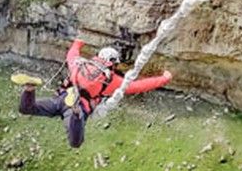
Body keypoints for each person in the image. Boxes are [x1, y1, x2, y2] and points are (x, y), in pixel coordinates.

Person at [12, 39, 172, 148]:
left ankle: (29, 89)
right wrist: (164, 79)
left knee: (27, 109)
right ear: (113, 63)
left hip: (60, 98)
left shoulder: (80, 64)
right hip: (77, 106)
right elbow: (138, 86)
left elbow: (71, 54)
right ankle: (75, 112)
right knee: (76, 142)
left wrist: (78, 42)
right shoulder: (110, 80)